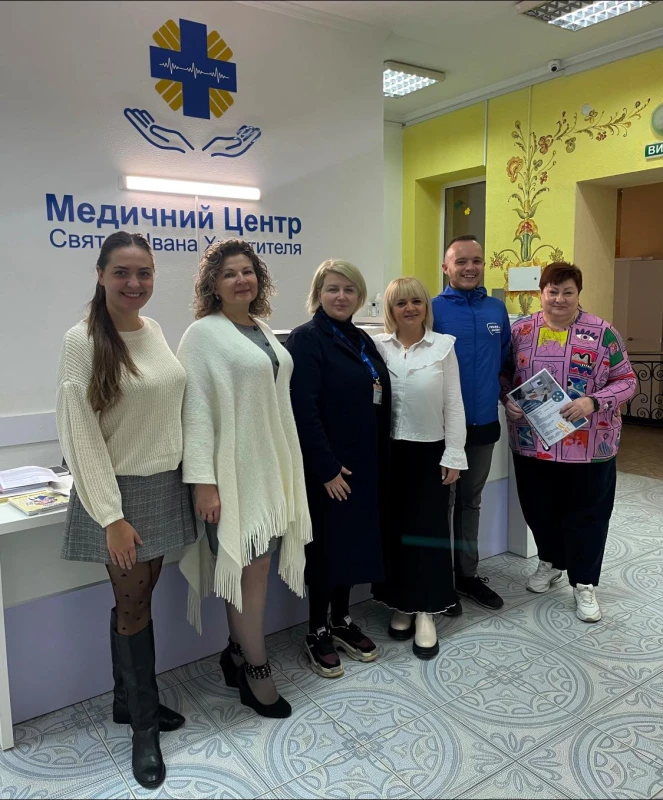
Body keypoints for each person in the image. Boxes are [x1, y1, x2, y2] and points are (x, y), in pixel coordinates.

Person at [57, 232, 197, 789]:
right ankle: (143, 728)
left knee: (135, 601)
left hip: (163, 485)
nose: (134, 283)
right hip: (118, 494)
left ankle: (125, 701)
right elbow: (80, 434)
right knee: (134, 607)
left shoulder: (154, 330)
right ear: (100, 274)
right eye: (122, 272)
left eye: (144, 272)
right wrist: (111, 516)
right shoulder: (83, 340)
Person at [177, 239, 311, 718]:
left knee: (258, 571)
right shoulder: (202, 335)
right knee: (247, 572)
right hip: (230, 478)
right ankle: (256, 669)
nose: (241, 280)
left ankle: (236, 653)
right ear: (213, 284)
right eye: (230, 273)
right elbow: (194, 413)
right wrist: (203, 483)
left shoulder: (261, 329)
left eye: (248, 271)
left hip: (268, 473)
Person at [501, 262, 636, 622]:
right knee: (538, 509)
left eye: (567, 292)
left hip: (591, 446)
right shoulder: (521, 332)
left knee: (588, 515)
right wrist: (507, 400)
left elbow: (627, 380)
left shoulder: (603, 333)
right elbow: (504, 374)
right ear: (541, 293)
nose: (559, 299)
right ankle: (551, 561)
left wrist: (594, 401)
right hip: (533, 443)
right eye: (553, 291)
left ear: (578, 294)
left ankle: (584, 582)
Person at [286, 260, 391, 678]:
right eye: (332, 289)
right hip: (328, 469)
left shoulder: (361, 339)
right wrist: (326, 468)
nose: (341, 296)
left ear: (360, 296)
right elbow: (302, 409)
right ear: (318, 294)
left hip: (363, 462)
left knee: (352, 544)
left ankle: (342, 620)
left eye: (349, 289)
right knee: (327, 548)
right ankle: (316, 629)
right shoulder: (307, 339)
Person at [372, 277, 467, 659]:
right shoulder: (377, 347)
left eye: (416, 301)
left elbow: (454, 403)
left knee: (428, 533)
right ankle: (402, 604)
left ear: (426, 306)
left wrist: (454, 453)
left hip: (431, 453)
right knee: (395, 532)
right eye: (400, 303)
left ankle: (427, 610)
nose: (409, 308)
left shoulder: (443, 347)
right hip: (389, 453)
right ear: (390, 310)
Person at [432, 235, 511, 612]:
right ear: (446, 267)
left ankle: (467, 576)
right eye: (460, 261)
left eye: (476, 260)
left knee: (470, 502)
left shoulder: (497, 309)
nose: (469, 267)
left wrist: (509, 397)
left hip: (483, 425)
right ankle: (437, 583)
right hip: (442, 429)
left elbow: (505, 361)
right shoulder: (432, 309)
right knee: (440, 504)